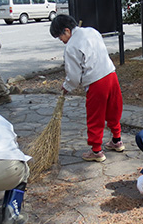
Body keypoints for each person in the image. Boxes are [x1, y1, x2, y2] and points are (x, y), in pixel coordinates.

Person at [50, 14, 124, 162]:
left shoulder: (71, 47)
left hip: (97, 82)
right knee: (113, 109)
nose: (62, 41)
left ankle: (96, 150)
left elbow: (74, 75)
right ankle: (117, 141)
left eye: (60, 37)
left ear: (67, 31)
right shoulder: (92, 31)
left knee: (95, 116)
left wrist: (66, 87)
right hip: (111, 74)